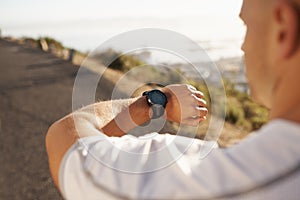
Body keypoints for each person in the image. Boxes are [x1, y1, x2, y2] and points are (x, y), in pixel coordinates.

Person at [46, 0, 300, 199]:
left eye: (247, 25)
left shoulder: (205, 183)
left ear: (283, 28)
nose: (243, 46)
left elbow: (64, 138)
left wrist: (157, 102)